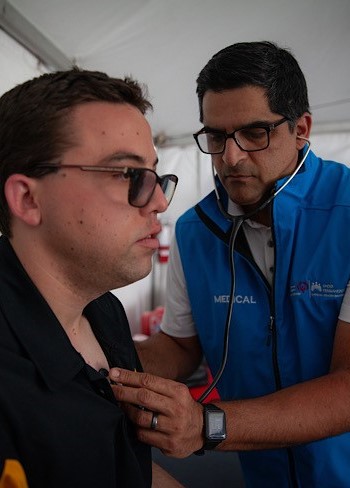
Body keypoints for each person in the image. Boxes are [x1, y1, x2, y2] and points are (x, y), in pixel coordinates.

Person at [110, 41, 350, 487]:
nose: (231, 157)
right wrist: (100, 362)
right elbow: (181, 349)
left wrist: (207, 424)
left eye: (255, 133)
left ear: (301, 129)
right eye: (217, 137)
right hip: (262, 474)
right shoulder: (195, 230)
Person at [0, 67, 183, 488]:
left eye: (156, 177)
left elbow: (119, 463)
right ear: (28, 199)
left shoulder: (103, 309)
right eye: (128, 174)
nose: (157, 202)